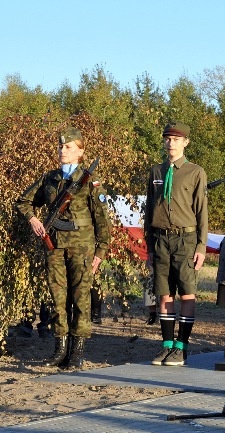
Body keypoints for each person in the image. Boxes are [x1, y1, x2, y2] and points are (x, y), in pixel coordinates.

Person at [15, 127, 112, 369]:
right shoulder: (50, 178)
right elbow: (23, 201)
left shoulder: (90, 182)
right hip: (55, 247)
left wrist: (100, 253)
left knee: (80, 299)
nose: (62, 150)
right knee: (58, 299)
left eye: (68, 147)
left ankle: (76, 353)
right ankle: (59, 350)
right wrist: (34, 220)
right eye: (60, 146)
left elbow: (102, 220)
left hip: (82, 248)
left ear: (80, 152)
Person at [144, 121, 208, 367]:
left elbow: (202, 211)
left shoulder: (195, 172)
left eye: (176, 139)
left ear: (185, 142)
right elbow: (149, 209)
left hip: (186, 239)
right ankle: (167, 345)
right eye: (168, 139)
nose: (171, 143)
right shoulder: (156, 172)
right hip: (161, 239)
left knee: (187, 292)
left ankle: (182, 346)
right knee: (163, 293)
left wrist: (201, 246)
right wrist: (150, 245)